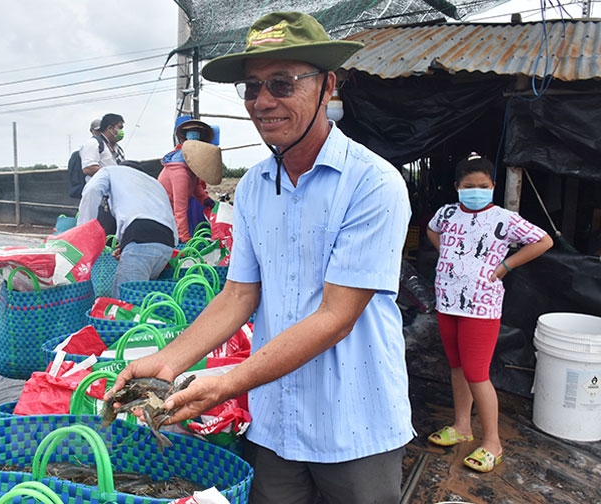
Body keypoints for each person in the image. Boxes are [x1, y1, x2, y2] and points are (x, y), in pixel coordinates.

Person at [108, 12, 414, 504]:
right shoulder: (253, 188)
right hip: (277, 423)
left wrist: (226, 384)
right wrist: (167, 361)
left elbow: (336, 317)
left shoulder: (372, 184)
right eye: (252, 88)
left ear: (327, 86)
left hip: (354, 421)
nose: (264, 102)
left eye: (282, 83)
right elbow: (238, 294)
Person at [426, 153, 553, 473]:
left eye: (483, 185)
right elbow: (431, 229)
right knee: (456, 366)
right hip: (447, 301)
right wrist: (447, 253)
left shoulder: (504, 219)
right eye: (469, 186)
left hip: (481, 308)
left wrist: (505, 265)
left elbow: (544, 241)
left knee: (477, 373)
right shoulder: (448, 213)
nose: (476, 190)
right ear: (457, 187)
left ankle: (493, 443)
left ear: (493, 186)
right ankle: (462, 426)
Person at [76, 161, 178, 298]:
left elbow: (92, 190)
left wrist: (82, 234)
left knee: (123, 305)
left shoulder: (110, 171)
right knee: (142, 303)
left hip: (141, 235)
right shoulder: (154, 183)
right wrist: (126, 246)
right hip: (167, 244)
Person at [158, 119, 222, 242]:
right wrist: (185, 239)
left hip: (173, 215)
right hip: (165, 216)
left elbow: (196, 186)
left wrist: (206, 200)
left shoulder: (191, 166)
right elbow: (179, 209)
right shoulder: (179, 172)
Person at [80, 113, 125, 178]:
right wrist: (113, 173)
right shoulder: (94, 143)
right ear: (110, 128)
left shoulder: (118, 148)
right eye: (120, 128)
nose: (121, 131)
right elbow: (88, 168)